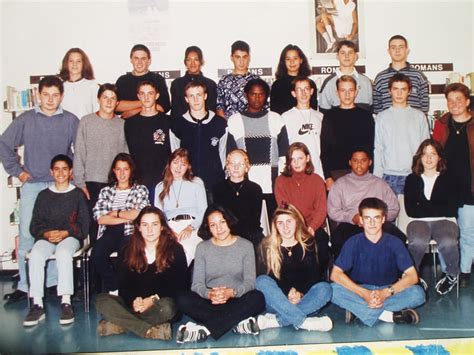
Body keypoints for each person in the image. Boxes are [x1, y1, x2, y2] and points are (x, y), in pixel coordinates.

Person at [0, 76, 79, 305]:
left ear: (61, 96)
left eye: (55, 95)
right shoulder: (26, 120)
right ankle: (26, 286)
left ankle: (53, 284)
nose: (51, 99)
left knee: (57, 234)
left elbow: (80, 150)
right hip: (33, 185)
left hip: (61, 186)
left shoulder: (71, 120)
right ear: (38, 95)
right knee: (27, 233)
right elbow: (4, 144)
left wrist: (72, 171)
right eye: (46, 95)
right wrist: (18, 171)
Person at [176, 205, 265, 343]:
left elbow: (249, 282)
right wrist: (209, 294)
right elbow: (197, 284)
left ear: (229, 221)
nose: (219, 228)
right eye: (213, 225)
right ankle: (237, 322)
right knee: (182, 298)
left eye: (222, 222)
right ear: (208, 228)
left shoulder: (246, 245)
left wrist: (232, 292)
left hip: (236, 298)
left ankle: (205, 329)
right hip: (211, 300)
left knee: (257, 298)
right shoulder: (202, 248)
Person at [95, 206, 187, 340]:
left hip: (159, 305)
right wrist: (134, 300)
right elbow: (123, 284)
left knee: (168, 307)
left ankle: (121, 324)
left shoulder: (175, 249)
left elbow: (180, 286)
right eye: (145, 225)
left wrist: (153, 299)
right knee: (101, 301)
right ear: (138, 227)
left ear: (162, 227)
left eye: (154, 224)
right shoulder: (127, 249)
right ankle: (148, 330)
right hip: (134, 305)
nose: (150, 230)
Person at [331, 198, 426, 327]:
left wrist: (384, 293)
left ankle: (358, 311)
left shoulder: (394, 242)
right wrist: (364, 293)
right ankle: (389, 316)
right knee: (332, 290)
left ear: (383, 219)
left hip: (388, 290)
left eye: (376, 218)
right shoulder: (353, 242)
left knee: (418, 294)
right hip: (361, 289)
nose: (372, 223)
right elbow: (335, 274)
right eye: (367, 218)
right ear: (361, 220)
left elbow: (413, 276)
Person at [23, 155, 89, 327]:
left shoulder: (77, 194)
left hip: (70, 237)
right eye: (57, 169)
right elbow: (34, 224)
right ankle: (37, 304)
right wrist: (46, 234)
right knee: (35, 255)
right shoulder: (43, 195)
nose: (61, 173)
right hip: (48, 237)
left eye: (65, 169)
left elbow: (85, 223)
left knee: (63, 253)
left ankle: (66, 302)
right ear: (51, 172)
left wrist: (66, 232)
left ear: (71, 172)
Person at [256, 204, 332, 332]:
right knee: (261, 281)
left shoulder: (308, 243)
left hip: (304, 301)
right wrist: (287, 293)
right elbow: (268, 281)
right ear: (275, 226)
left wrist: (300, 294)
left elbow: (313, 277)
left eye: (289, 221)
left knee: (325, 288)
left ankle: (276, 321)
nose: (285, 227)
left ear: (297, 222)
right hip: (278, 303)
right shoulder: (267, 246)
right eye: (280, 223)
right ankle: (305, 323)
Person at [73, 83, 128, 245]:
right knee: (95, 227)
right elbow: (79, 152)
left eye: (113, 98)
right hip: (92, 184)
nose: (109, 102)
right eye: (105, 97)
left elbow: (126, 155)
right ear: (98, 99)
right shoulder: (86, 121)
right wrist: (79, 182)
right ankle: (96, 268)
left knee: (118, 228)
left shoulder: (122, 124)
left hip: (115, 184)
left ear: (117, 103)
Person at [404, 139, 459, 295]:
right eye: (425, 154)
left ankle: (451, 275)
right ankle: (412, 276)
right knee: (417, 242)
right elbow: (411, 210)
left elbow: (451, 209)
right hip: (418, 222)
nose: (428, 158)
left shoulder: (449, 178)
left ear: (439, 157)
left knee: (448, 242)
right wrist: (436, 208)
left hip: (445, 221)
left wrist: (424, 207)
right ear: (419, 158)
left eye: (433, 154)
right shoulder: (412, 179)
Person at [227, 78, 289, 217]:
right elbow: (230, 155)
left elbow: (284, 154)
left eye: (261, 94)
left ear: (266, 97)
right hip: (245, 184)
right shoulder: (234, 120)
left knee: (274, 224)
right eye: (253, 94)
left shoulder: (276, 119)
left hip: (272, 183)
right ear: (246, 95)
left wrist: (281, 180)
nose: (257, 97)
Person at [327, 149, 405, 257]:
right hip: (351, 224)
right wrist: (351, 217)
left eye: (363, 160)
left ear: (370, 162)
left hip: (378, 224)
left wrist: (378, 218)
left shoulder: (380, 184)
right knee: (339, 240)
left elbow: (394, 209)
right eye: (355, 160)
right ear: (350, 162)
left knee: (399, 238)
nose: (359, 164)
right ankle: (345, 273)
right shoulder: (340, 184)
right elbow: (333, 211)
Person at [433, 83, 473, 288]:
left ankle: (465, 271)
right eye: (450, 100)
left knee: (467, 232)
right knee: (445, 232)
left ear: (467, 101)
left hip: (469, 188)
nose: (455, 104)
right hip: (445, 187)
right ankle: (449, 272)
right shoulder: (441, 124)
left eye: (459, 99)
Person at [91, 153, 150, 293]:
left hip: (130, 231)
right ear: (113, 171)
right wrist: (128, 215)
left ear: (131, 170)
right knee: (97, 255)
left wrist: (115, 213)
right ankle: (114, 288)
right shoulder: (106, 191)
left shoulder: (140, 190)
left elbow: (140, 214)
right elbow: (101, 218)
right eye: (118, 169)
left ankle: (126, 291)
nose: (122, 173)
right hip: (110, 231)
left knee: (125, 256)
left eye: (126, 169)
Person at [171, 81, 235, 201]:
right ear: (186, 99)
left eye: (199, 95)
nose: (195, 100)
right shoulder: (177, 125)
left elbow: (223, 155)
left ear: (205, 96)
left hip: (214, 184)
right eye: (191, 96)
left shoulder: (220, 124)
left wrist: (220, 177)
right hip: (187, 184)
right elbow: (175, 157)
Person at [275, 142, 331, 269]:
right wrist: (298, 228)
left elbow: (321, 210)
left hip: (313, 226)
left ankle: (318, 281)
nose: (296, 163)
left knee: (321, 246)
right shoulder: (281, 181)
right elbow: (285, 209)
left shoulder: (317, 180)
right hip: (290, 225)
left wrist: (311, 228)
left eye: (300, 158)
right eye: (292, 159)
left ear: (307, 158)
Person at [374, 73, 430, 195]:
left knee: (412, 214)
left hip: (414, 175)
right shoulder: (381, 117)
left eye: (403, 89)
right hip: (388, 176)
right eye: (395, 89)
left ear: (409, 91)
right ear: (389, 91)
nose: (399, 93)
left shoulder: (419, 116)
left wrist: (425, 173)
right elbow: (378, 149)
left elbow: (425, 149)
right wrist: (377, 178)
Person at [154, 148, 207, 266]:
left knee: (184, 251)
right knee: (162, 253)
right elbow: (158, 215)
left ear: (188, 166)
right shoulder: (160, 186)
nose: (178, 167)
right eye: (175, 163)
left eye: (183, 164)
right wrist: (169, 231)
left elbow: (203, 210)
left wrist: (190, 228)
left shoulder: (196, 183)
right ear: (169, 164)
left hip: (191, 226)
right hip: (169, 228)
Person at [320, 75, 374, 190]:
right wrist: (328, 177)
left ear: (356, 92)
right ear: (337, 92)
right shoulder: (329, 116)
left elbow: (370, 148)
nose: (347, 94)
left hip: (360, 172)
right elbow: (324, 149)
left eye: (350, 90)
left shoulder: (365, 116)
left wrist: (370, 174)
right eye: (343, 90)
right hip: (336, 173)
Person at [124, 81, 173, 204]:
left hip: (164, 181)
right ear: (138, 96)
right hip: (139, 182)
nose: (146, 97)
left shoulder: (168, 121)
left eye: (150, 93)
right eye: (142, 93)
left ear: (156, 96)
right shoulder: (130, 123)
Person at [213, 149, 264, 247]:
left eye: (240, 164)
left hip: (250, 234)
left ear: (246, 167)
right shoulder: (218, 189)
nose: (236, 167)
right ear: (227, 166)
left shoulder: (255, 189)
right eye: (232, 163)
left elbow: (254, 221)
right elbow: (219, 218)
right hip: (225, 233)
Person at [373, 35, 429, 115]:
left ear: (407, 50)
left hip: (412, 124)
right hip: (388, 125)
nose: (397, 50)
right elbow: (377, 107)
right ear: (389, 51)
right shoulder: (380, 78)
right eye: (393, 47)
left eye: (401, 47)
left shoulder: (418, 76)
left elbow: (424, 106)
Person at [281, 77, 324, 178]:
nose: (303, 92)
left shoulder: (320, 117)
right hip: (296, 170)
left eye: (306, 89)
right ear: (294, 93)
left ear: (312, 91)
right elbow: (284, 148)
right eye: (299, 89)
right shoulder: (285, 117)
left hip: (317, 171)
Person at [115, 44, 171, 118]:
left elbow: (163, 107)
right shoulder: (122, 80)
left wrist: (132, 111)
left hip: (153, 124)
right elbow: (116, 106)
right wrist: (148, 103)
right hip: (128, 127)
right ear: (131, 60)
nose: (139, 62)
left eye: (143, 58)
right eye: (136, 58)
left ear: (149, 61)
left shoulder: (157, 79)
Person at [318, 40, 372, 113]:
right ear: (337, 56)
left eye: (350, 52)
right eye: (343, 53)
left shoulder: (366, 82)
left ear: (356, 56)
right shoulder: (328, 83)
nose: (347, 56)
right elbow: (323, 114)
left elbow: (371, 111)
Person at [216, 40, 261, 118]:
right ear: (231, 58)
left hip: (253, 126)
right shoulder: (224, 81)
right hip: (231, 127)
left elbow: (263, 106)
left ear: (249, 58)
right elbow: (219, 109)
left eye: (244, 57)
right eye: (237, 57)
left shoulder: (256, 80)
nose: (241, 61)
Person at [270, 44, 318, 115]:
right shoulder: (277, 85)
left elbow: (313, 111)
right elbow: (274, 113)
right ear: (284, 62)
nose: (292, 62)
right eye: (288, 59)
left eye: (295, 58)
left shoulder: (310, 84)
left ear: (301, 60)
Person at [170, 46, 217, 118]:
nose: (192, 63)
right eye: (189, 60)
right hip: (182, 126)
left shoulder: (210, 84)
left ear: (201, 62)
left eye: (196, 59)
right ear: (185, 62)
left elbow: (211, 110)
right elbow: (176, 111)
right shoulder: (177, 84)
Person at [58, 47, 99, 119]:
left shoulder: (92, 86)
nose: (74, 64)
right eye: (71, 61)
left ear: (84, 64)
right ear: (66, 63)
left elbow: (98, 112)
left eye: (78, 61)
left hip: (86, 128)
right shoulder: (59, 86)